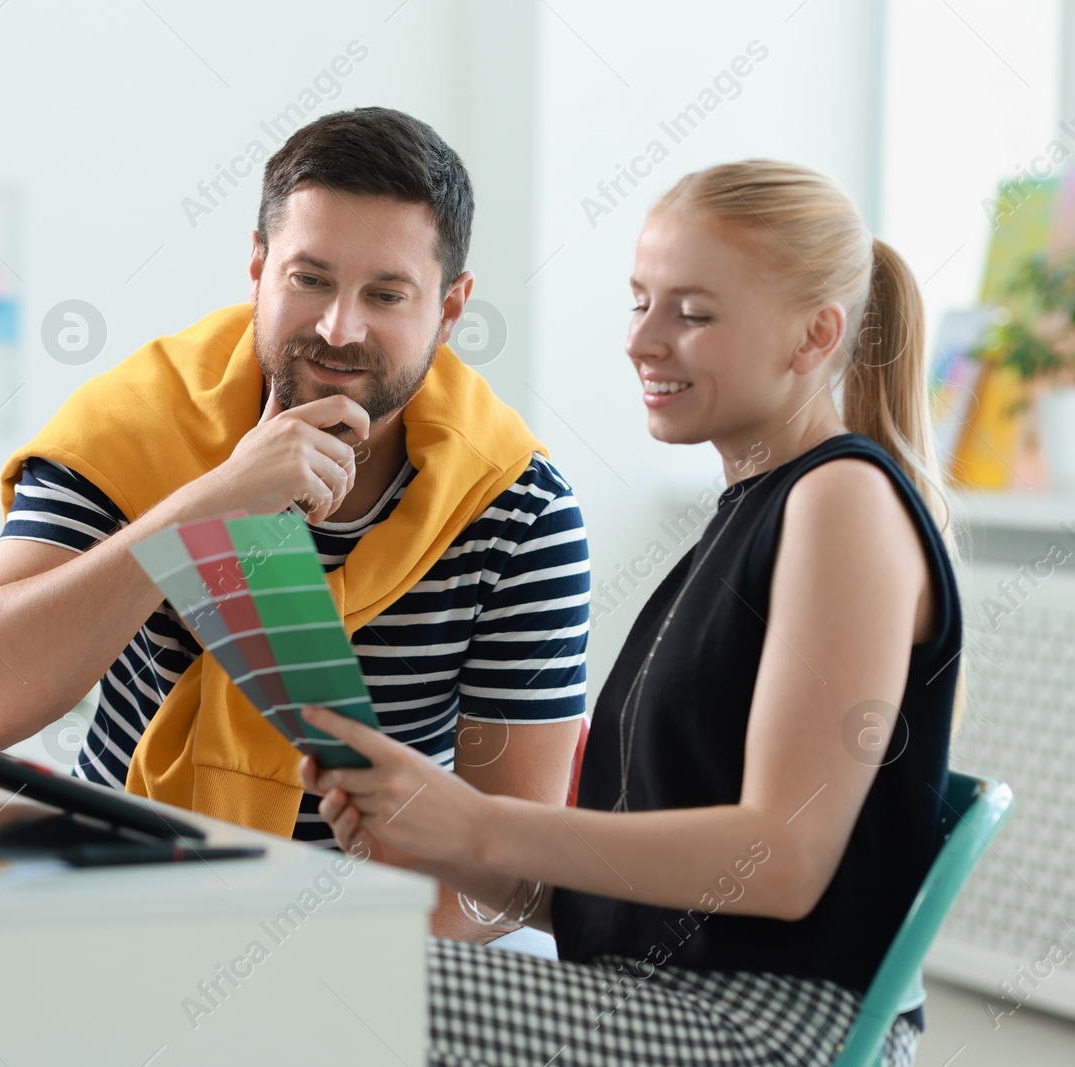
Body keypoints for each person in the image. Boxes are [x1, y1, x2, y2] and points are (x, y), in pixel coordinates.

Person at [300, 160, 959, 1066]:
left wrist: (480, 822)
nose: (643, 340)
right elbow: (634, 892)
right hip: (654, 994)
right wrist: (433, 835)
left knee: (318, 988)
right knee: (322, 969)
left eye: (692, 313)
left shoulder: (841, 500)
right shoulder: (747, 521)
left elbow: (783, 860)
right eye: (640, 301)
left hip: (771, 1026)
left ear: (816, 336)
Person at [0, 108, 591, 943]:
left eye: (386, 294)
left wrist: (300, 982)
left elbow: (513, 861)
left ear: (452, 307)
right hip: (106, 913)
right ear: (257, 267)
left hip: (372, 946)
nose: (338, 329)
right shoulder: (140, 424)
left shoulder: (517, 509)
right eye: (308, 279)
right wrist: (213, 502)